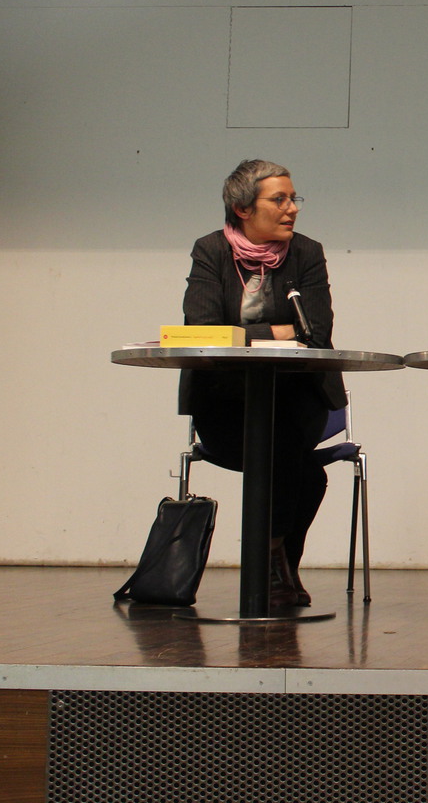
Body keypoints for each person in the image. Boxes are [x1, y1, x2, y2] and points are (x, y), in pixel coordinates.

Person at [179, 159, 345, 610]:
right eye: (279, 199)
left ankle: (271, 562)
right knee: (302, 471)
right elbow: (203, 329)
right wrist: (278, 331)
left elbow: (316, 332)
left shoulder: (306, 253)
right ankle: (277, 565)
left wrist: (244, 333)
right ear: (243, 208)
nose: (293, 208)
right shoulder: (211, 251)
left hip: (297, 399)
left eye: (294, 198)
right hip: (224, 405)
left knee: (285, 446)